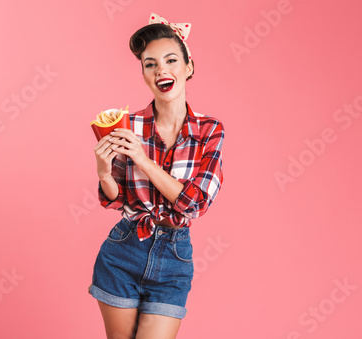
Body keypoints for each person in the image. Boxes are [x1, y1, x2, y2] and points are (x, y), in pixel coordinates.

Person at [89, 12, 225, 339]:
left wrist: (143, 159)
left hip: (175, 255)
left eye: (170, 60)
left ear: (188, 67)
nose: (160, 69)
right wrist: (104, 171)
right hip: (123, 248)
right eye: (150, 64)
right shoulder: (128, 124)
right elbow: (116, 198)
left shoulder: (209, 130)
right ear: (145, 76)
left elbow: (196, 203)